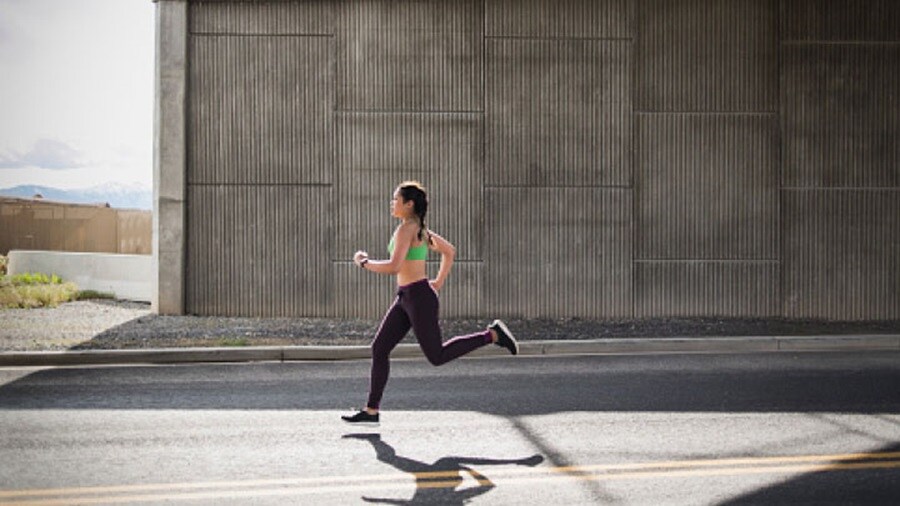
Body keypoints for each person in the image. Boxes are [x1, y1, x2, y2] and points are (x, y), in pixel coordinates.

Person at [342, 181, 518, 426]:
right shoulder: (418, 230)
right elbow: (450, 251)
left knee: (437, 355)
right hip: (406, 297)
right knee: (380, 348)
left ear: (408, 204)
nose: (392, 203)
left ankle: (493, 335)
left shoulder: (408, 230)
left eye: (396, 199)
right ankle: (371, 410)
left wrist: (364, 262)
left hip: (418, 298)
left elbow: (394, 266)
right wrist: (438, 282)